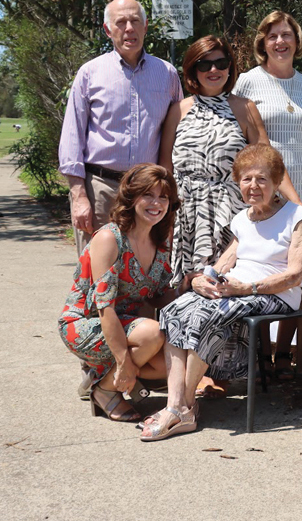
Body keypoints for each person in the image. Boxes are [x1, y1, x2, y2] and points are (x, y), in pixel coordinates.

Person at [159, 35, 302, 397]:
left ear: (230, 67)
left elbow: (269, 164)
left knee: (224, 292)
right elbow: (164, 165)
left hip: (229, 212)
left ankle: (223, 373)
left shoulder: (244, 107)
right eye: (204, 64)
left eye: (220, 63)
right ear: (192, 70)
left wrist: (301, 209)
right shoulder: (180, 108)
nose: (213, 70)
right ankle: (188, 374)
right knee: (192, 285)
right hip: (188, 210)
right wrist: (164, 215)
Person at [143, 144, 302, 441]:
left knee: (207, 316)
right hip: (234, 290)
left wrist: (245, 289)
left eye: (261, 179)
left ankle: (180, 407)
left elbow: (295, 275)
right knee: (176, 309)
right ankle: (178, 405)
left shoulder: (298, 217)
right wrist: (200, 280)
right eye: (246, 179)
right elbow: (224, 263)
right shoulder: (242, 218)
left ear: (276, 183)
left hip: (274, 294)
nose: (253, 186)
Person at [234, 10, 302, 379]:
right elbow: (244, 139)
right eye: (272, 35)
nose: (280, 42)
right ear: (262, 42)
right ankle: (252, 356)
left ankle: (282, 355)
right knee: (261, 264)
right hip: (267, 190)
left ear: (297, 40)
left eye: (286, 35)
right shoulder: (248, 82)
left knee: (300, 273)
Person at [59, 0, 183, 256]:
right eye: (121, 22)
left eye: (135, 21)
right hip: (100, 190)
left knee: (146, 271)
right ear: (108, 30)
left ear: (146, 26)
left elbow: (177, 137)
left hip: (149, 193)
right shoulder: (90, 73)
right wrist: (79, 197)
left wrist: (170, 196)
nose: (129, 28)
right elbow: (72, 139)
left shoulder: (167, 74)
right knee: (97, 273)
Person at [58, 164, 179, 421]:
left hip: (127, 325)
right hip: (86, 323)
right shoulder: (110, 238)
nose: (156, 203)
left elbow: (159, 293)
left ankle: (100, 376)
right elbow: (105, 308)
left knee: (170, 363)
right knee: (153, 334)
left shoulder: (160, 240)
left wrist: (190, 293)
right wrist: (124, 361)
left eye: (163, 197)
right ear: (132, 197)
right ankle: (105, 390)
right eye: (148, 194)